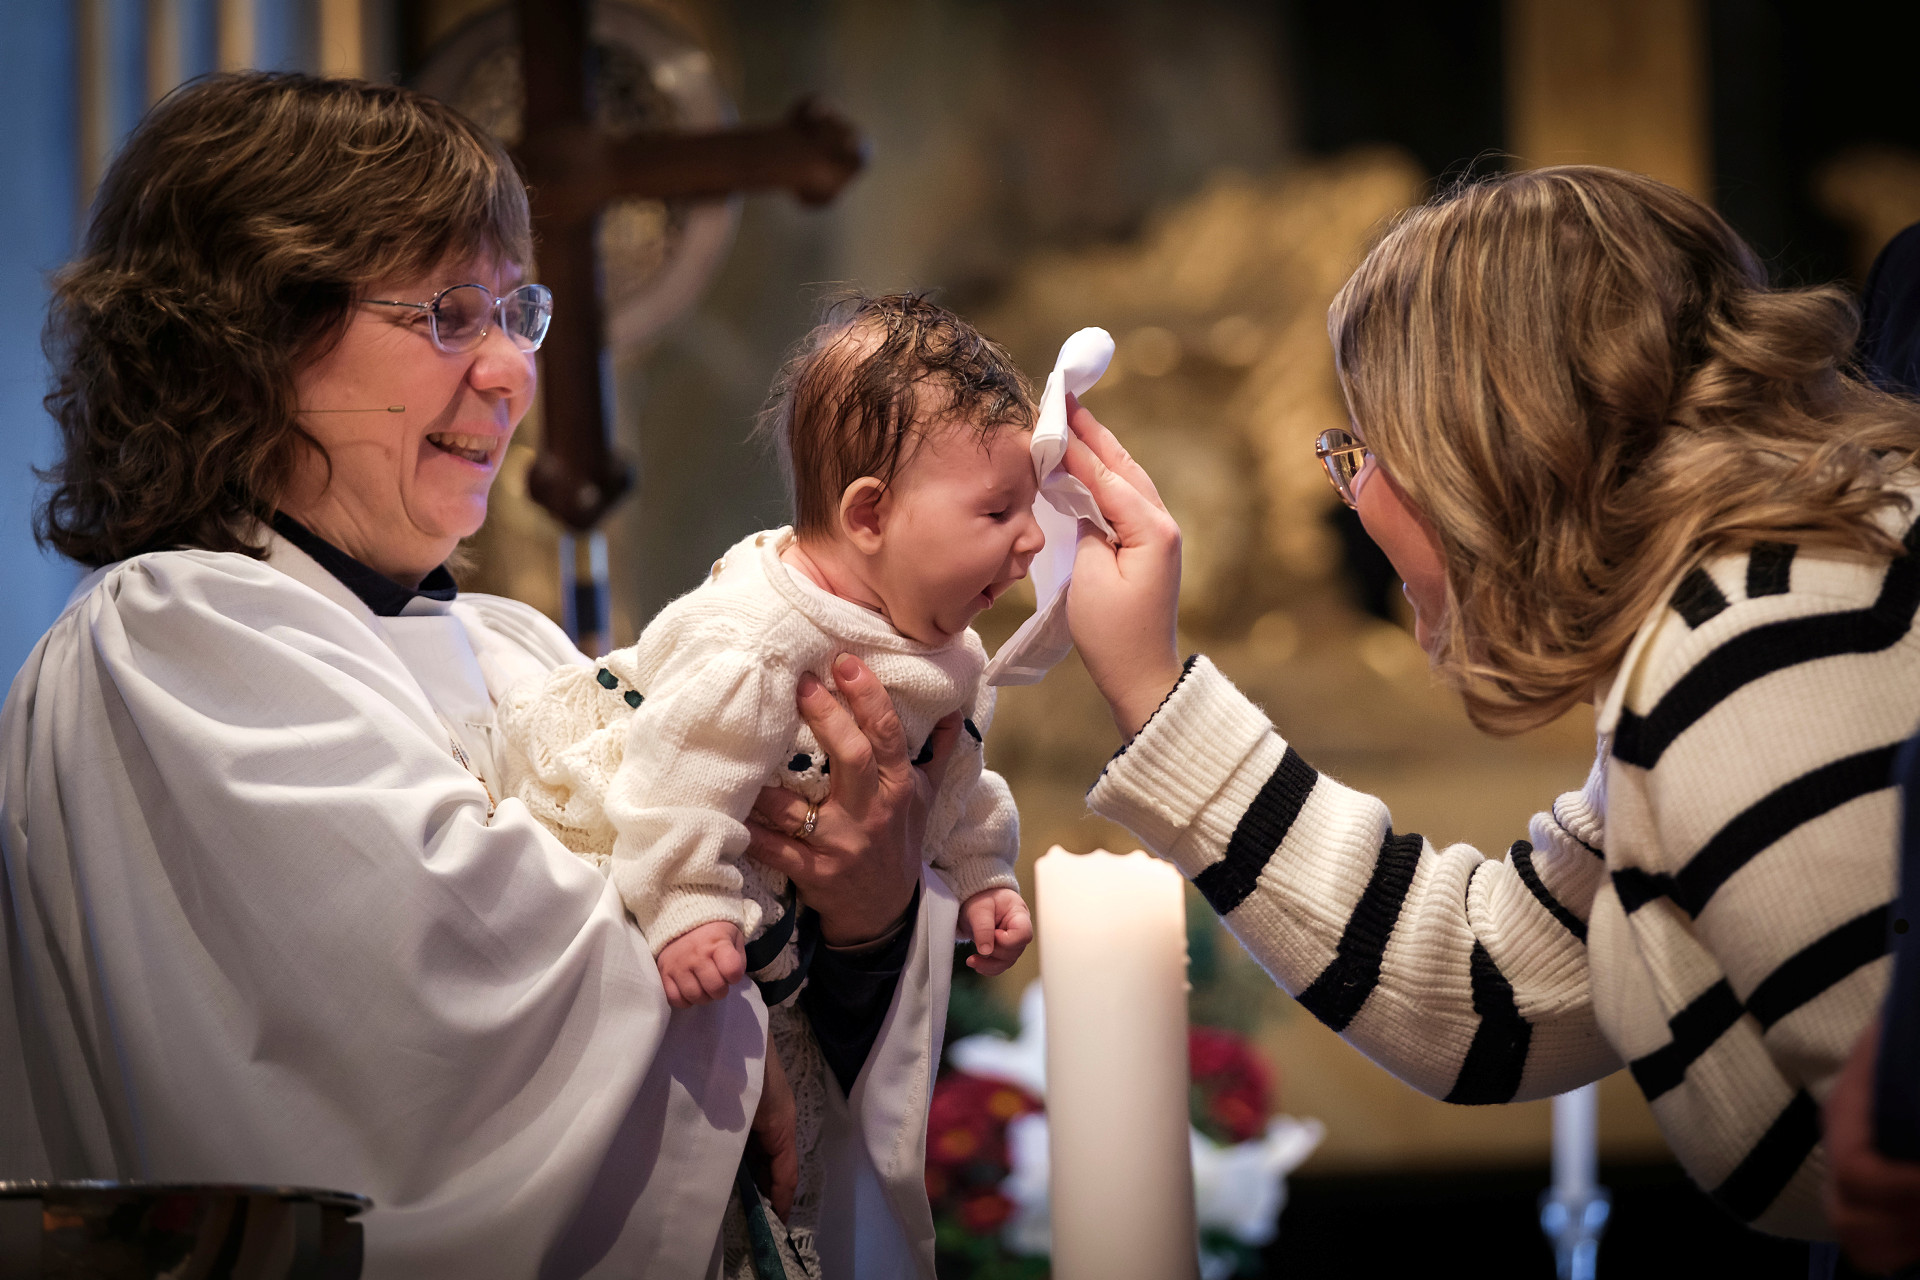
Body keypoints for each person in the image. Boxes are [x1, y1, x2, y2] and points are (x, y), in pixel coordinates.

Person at [1, 72, 956, 1279]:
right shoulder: (175, 645)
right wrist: (735, 990)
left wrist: (864, 917)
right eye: (450, 313)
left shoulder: (518, 649)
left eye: (519, 312)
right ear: (248, 336)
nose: (513, 374)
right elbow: (449, 1023)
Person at [1053, 165, 1912, 1242]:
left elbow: (1895, 1144)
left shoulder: (1759, 644)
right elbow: (1490, 987)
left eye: (1359, 445)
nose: (1352, 492)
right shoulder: (1741, 612)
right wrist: (1151, 687)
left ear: (1480, 437)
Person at [495, 293, 1038, 1272]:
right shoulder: (762, 638)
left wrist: (984, 871)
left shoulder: (943, 642)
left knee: (798, 1156)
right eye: (999, 512)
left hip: (784, 919)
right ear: (869, 515)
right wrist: (689, 900)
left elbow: (954, 779)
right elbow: (672, 778)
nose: (1033, 538)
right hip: (636, 841)